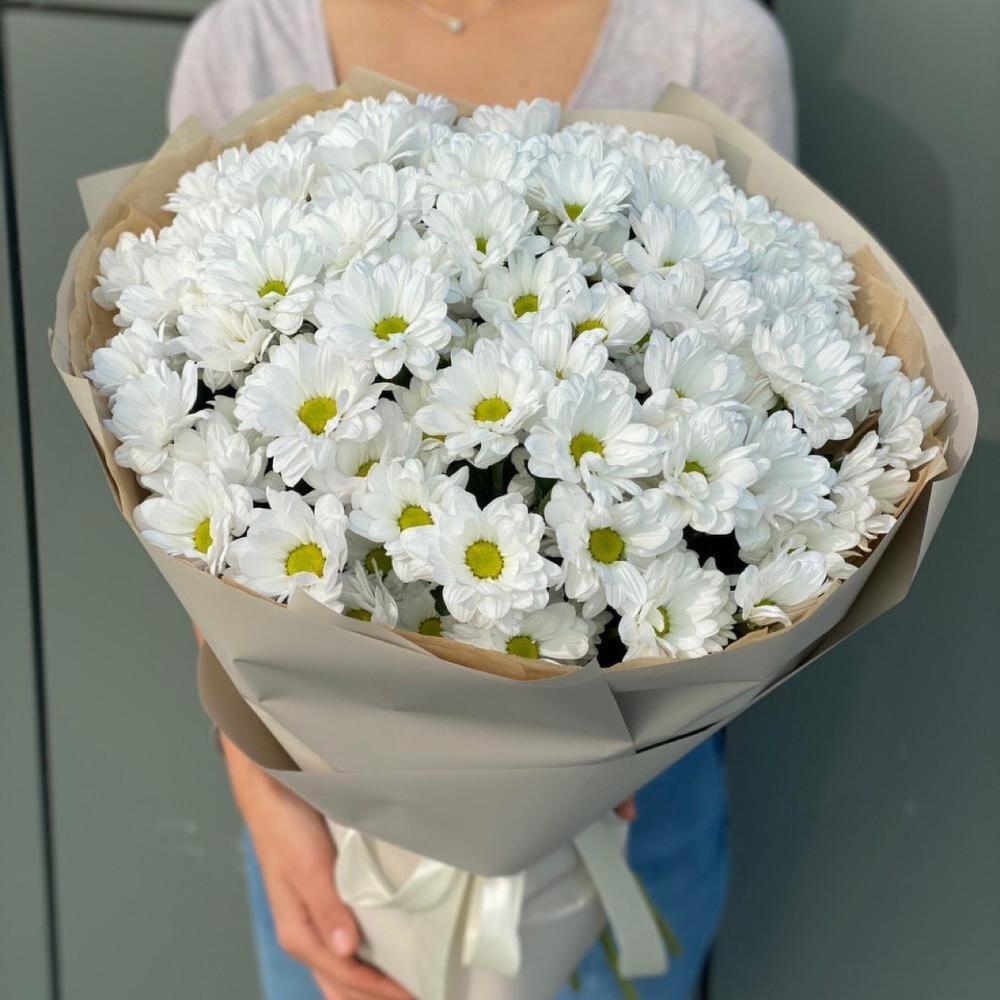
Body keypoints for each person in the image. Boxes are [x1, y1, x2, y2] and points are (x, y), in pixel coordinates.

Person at [169, 2, 795, 999]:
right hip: (327, 829)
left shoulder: (711, 43)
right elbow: (191, 477)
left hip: (630, 829)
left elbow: (767, 404)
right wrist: (259, 782)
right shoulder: (244, 44)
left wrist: (600, 752)